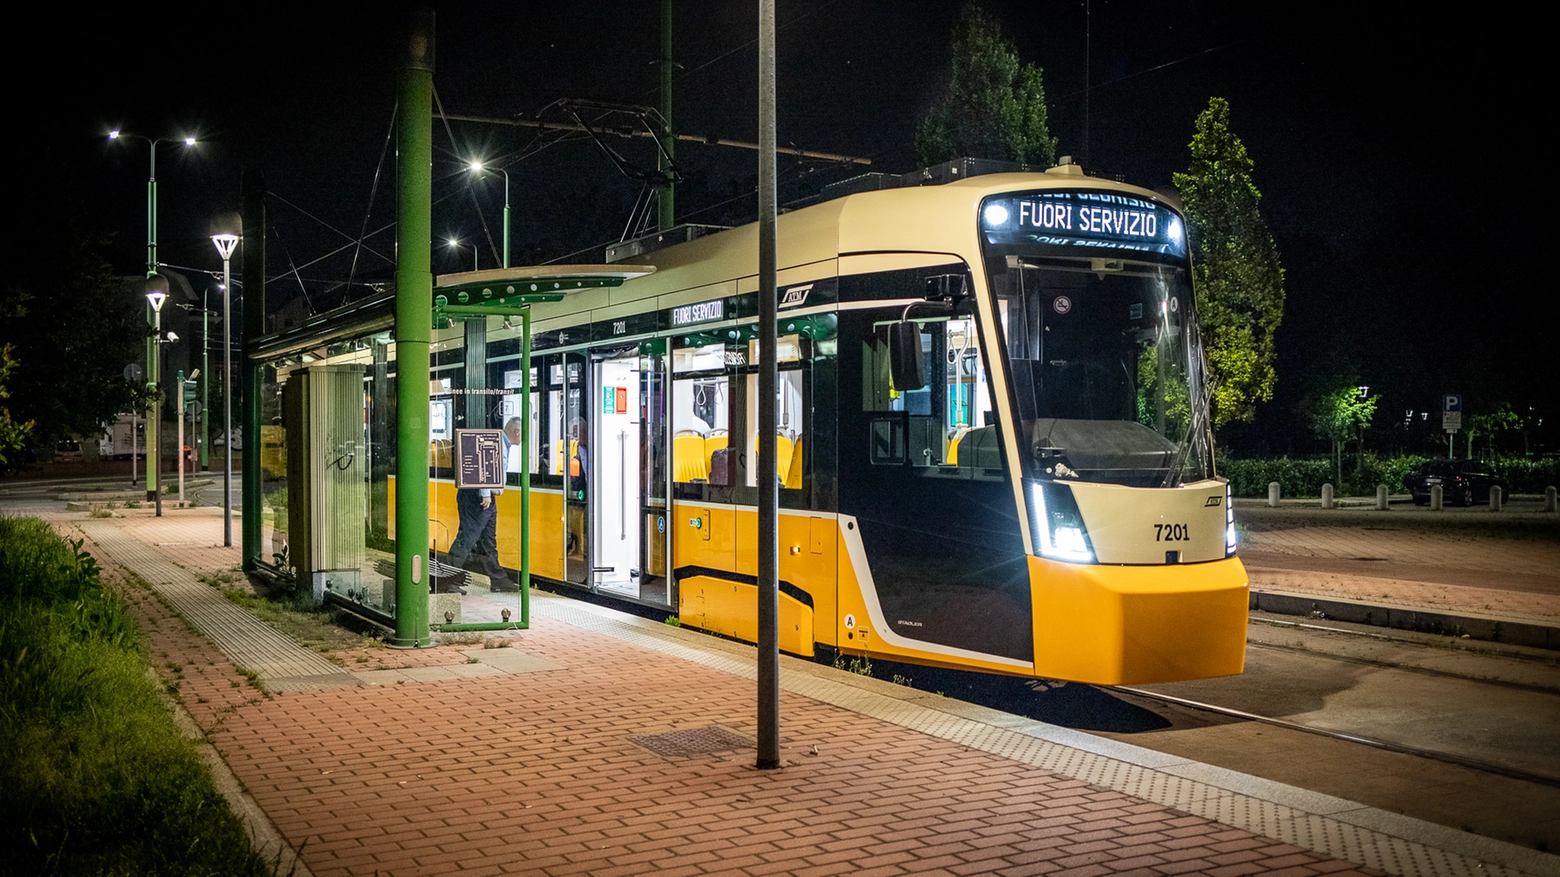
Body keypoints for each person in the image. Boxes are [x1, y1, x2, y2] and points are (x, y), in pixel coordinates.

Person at [441, 418, 522, 593]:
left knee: (488, 540)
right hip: (478, 498)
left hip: (487, 498)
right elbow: (484, 462)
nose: (524, 438)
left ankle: (498, 580)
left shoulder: (501, 441)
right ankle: (444, 581)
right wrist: (485, 492)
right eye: (523, 434)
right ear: (517, 432)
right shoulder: (497, 441)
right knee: (467, 538)